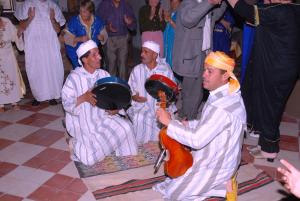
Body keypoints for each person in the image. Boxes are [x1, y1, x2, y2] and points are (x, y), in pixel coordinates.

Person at [154, 51, 246, 200]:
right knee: (172, 182)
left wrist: (169, 123)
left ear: (224, 76)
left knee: (174, 194)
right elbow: (210, 123)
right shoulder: (225, 92)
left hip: (218, 164)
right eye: (205, 70)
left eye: (210, 71)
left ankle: (223, 186)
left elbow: (197, 140)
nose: (204, 75)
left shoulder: (222, 106)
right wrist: (188, 123)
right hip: (212, 152)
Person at [227, 0, 300, 161]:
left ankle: (269, 149)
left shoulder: (280, 11)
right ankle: (265, 143)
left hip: (277, 68)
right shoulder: (295, 9)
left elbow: (245, 10)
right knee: (271, 105)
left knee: (270, 106)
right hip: (285, 66)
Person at [62, 40, 138, 166]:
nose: (100, 57)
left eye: (99, 53)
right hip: (83, 124)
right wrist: (84, 97)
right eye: (94, 55)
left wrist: (116, 109)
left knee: (127, 127)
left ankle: (103, 146)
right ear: (85, 60)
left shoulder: (103, 74)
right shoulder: (74, 78)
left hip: (103, 118)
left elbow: (114, 98)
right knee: (89, 160)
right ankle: (75, 145)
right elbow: (66, 104)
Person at [172, 0, 227, 120]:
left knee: (196, 92)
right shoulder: (189, 3)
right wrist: (210, 3)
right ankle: (187, 123)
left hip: (204, 54)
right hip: (192, 56)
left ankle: (185, 117)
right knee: (193, 93)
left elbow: (215, 15)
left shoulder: (204, 5)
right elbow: (188, 20)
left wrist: (224, 2)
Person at [16, 0, 66, 106]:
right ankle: (38, 96)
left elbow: (58, 30)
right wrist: (30, 18)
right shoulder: (27, 4)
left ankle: (53, 95)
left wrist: (52, 19)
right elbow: (21, 26)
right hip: (34, 45)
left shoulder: (53, 6)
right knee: (35, 69)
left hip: (50, 45)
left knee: (53, 69)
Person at [127, 40, 176, 144]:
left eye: (146, 52)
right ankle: (141, 144)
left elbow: (172, 92)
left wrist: (164, 103)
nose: (141, 54)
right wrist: (134, 97)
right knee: (139, 117)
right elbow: (130, 89)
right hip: (142, 106)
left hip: (162, 106)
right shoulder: (137, 70)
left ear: (154, 55)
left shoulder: (165, 70)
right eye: (142, 51)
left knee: (162, 120)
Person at [96, 0, 137, 80]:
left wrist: (130, 22)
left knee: (123, 65)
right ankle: (112, 87)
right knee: (111, 64)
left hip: (123, 38)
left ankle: (123, 86)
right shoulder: (104, 4)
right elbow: (97, 21)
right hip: (109, 39)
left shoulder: (125, 5)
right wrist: (107, 27)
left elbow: (134, 24)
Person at [64, 0, 108, 69]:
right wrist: (79, 39)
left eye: (84, 11)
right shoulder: (74, 21)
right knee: (81, 74)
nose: (81, 13)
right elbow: (66, 38)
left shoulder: (97, 21)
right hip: (77, 54)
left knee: (94, 72)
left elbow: (104, 34)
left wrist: (102, 37)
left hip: (93, 55)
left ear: (90, 12)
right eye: (80, 11)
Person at [0, 6, 25, 112]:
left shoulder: (7, 21)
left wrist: (19, 33)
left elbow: (15, 35)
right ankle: (0, 104)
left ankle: (14, 102)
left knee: (12, 76)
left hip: (9, 54)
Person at [163, 0, 182, 68]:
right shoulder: (169, 12)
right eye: (172, 2)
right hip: (166, 42)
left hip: (175, 43)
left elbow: (180, 30)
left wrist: (170, 21)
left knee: (173, 64)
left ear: (180, 3)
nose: (174, 4)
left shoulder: (181, 14)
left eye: (176, 3)